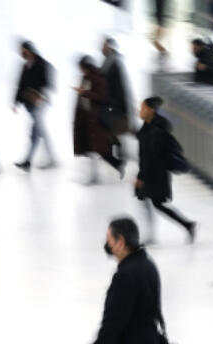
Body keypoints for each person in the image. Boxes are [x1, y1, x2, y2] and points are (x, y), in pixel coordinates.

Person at [134, 97, 197, 244]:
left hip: (155, 174)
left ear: (151, 110)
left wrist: (141, 176)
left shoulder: (156, 131)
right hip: (152, 173)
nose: (140, 111)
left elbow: (151, 156)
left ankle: (185, 226)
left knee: (155, 202)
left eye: (142, 108)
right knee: (153, 202)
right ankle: (186, 225)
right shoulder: (150, 125)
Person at [73, 57, 122, 183]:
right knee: (93, 150)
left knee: (97, 149)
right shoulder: (86, 78)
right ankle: (114, 165)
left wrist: (85, 93)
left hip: (95, 120)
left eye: (82, 68)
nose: (81, 71)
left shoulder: (98, 78)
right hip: (86, 119)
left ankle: (114, 165)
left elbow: (102, 97)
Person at [13, 41, 57, 171]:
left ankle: (28, 161)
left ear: (28, 50)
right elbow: (20, 85)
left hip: (40, 102)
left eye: (23, 51)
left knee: (35, 132)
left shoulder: (42, 64)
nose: (21, 54)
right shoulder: (25, 66)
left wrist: (38, 93)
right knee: (40, 131)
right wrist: (16, 102)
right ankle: (51, 159)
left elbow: (48, 83)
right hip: (30, 103)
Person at [98, 38, 132, 171]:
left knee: (110, 127)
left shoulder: (113, 62)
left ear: (109, 47)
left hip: (114, 102)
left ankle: (118, 152)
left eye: (103, 46)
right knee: (110, 128)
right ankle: (116, 150)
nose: (101, 49)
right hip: (114, 102)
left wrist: (113, 104)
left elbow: (111, 83)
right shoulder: (111, 60)